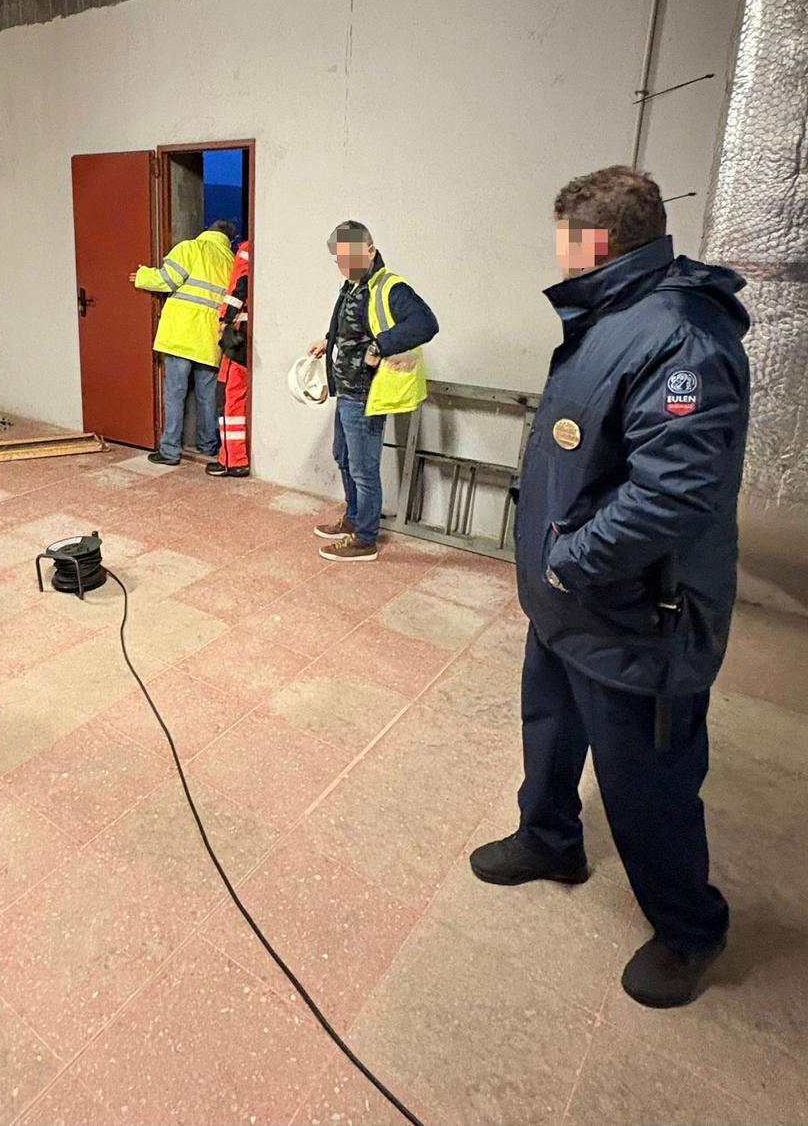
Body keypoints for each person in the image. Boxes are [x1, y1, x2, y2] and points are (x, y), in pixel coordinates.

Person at [470, 165, 750, 1010]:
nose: (555, 254)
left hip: (637, 615)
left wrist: (571, 558)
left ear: (593, 243)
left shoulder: (682, 336)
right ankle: (550, 838)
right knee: (550, 732)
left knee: (647, 782)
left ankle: (689, 928)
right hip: (568, 604)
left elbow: (675, 495)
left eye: (563, 239)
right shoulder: (612, 315)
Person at [307, 222, 437, 561]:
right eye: (338, 258)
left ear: (371, 251)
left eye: (350, 256)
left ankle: (365, 538)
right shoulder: (351, 285)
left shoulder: (390, 287)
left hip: (366, 392)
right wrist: (328, 341)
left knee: (364, 468)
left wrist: (380, 346)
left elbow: (426, 323)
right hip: (346, 389)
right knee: (344, 457)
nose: (344, 263)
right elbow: (349, 324)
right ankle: (353, 519)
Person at [131, 221, 235, 467]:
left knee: (175, 394)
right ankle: (209, 446)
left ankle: (169, 451)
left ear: (209, 230)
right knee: (207, 397)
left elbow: (167, 280)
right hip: (209, 339)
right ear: (228, 240)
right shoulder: (230, 263)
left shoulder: (190, 248)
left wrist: (143, 275)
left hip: (180, 335)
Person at [209, 236, 250, 478]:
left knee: (229, 398)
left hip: (238, 337)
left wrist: (225, 320)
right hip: (249, 337)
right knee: (238, 397)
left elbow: (239, 286)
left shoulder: (247, 249)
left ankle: (233, 460)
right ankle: (234, 458)